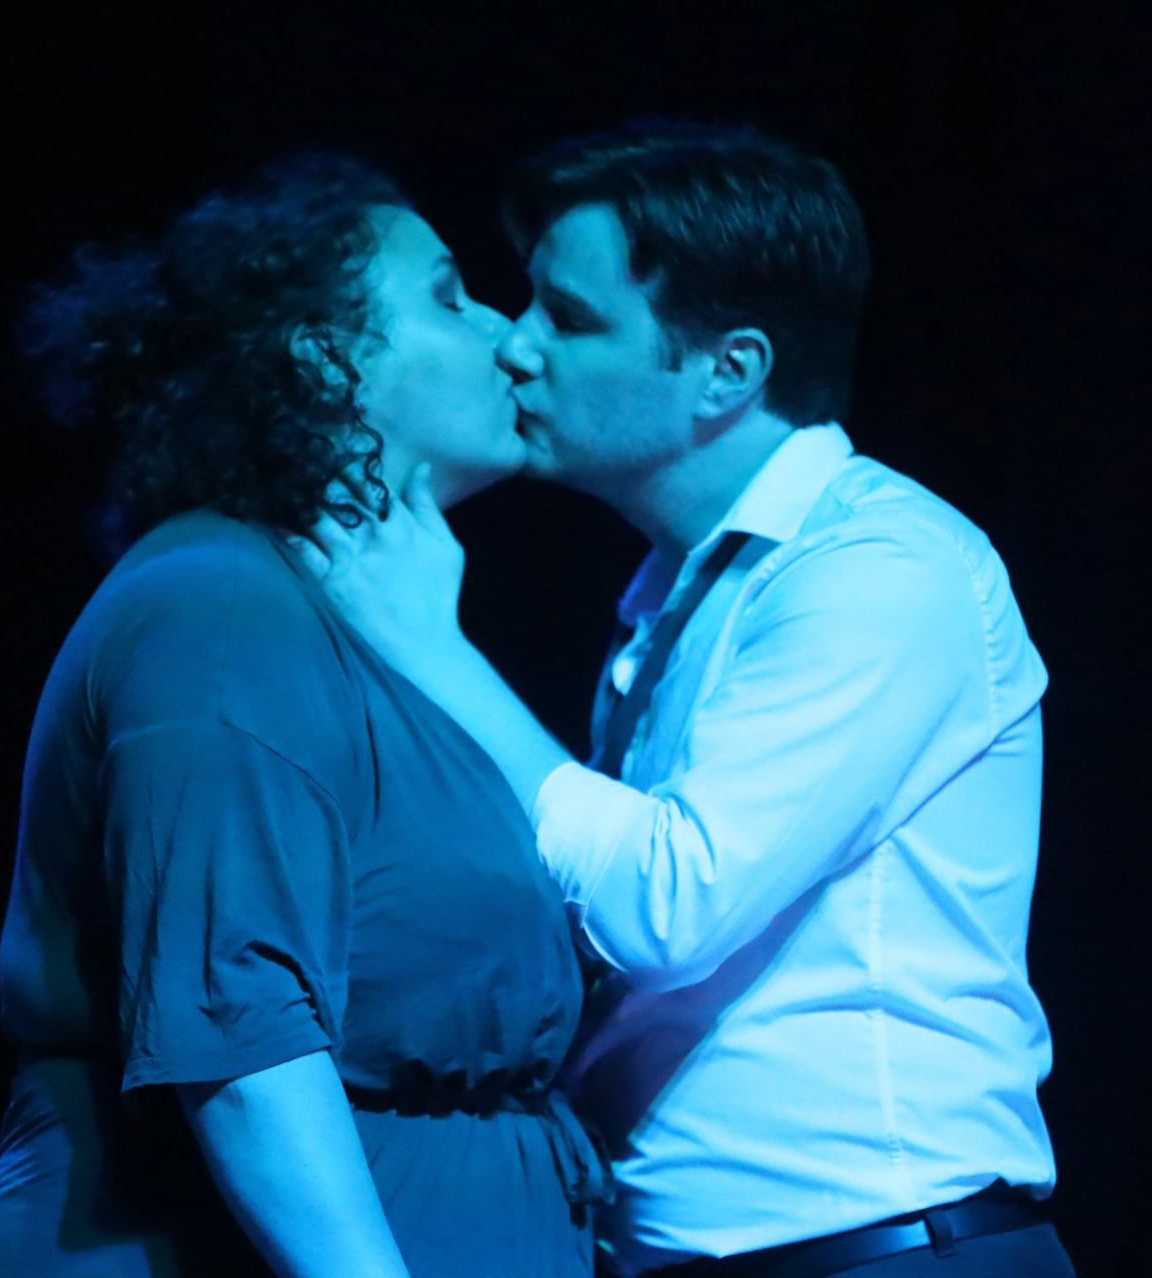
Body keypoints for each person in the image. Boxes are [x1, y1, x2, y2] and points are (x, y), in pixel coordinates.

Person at [302, 123, 1075, 1276]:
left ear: (730, 370)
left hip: (881, 1252)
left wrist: (431, 646)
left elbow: (674, 903)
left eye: (568, 319)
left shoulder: (882, 567)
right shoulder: (685, 584)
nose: (515, 348)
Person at [0, 154, 603, 1278]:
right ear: (325, 358)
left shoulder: (370, 636)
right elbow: (243, 1049)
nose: (506, 336)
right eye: (448, 295)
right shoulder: (223, 610)